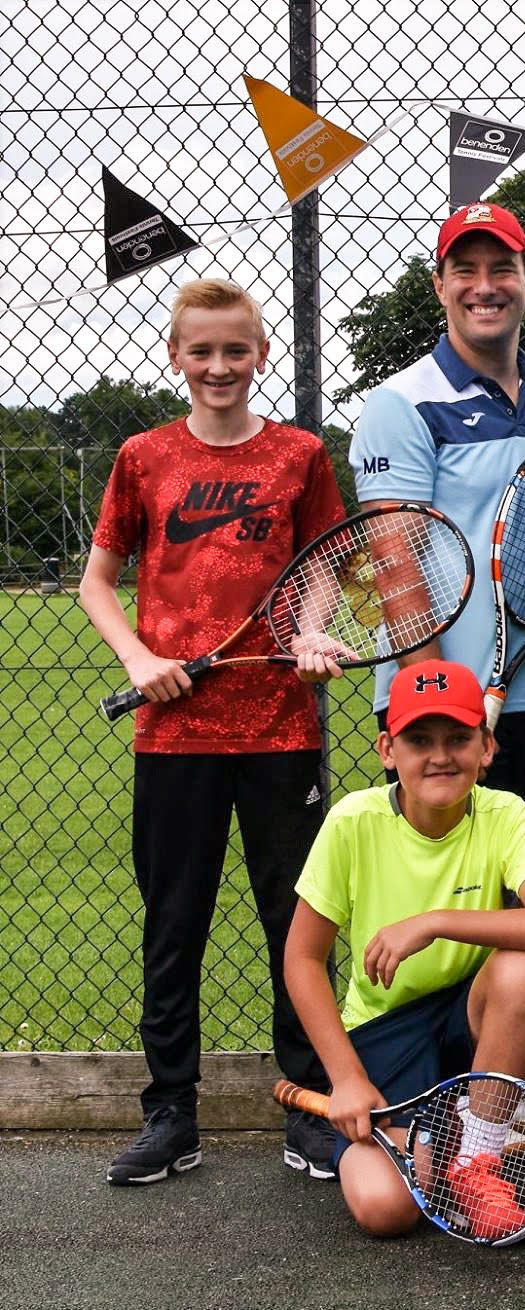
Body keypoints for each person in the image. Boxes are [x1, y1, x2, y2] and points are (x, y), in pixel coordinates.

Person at [78, 277, 347, 1186]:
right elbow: (97, 581)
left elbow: (322, 569)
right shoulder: (144, 456)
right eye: (203, 352)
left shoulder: (302, 455)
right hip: (174, 739)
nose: (220, 367)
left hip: (280, 731)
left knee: (297, 928)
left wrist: (310, 630)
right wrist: (136, 659)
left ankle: (308, 1107)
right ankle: (170, 1115)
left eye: (237, 351)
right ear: (177, 357)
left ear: (262, 354)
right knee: (174, 926)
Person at [280, 659, 525, 1238]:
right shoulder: (352, 822)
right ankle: (435, 1132)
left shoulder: (507, 815)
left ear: (487, 747)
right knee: (385, 1211)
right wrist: (345, 1078)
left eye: (458, 739)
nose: (440, 756)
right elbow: (301, 959)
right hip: (383, 1032)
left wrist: (436, 921)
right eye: (419, 740)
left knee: (523, 969)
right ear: (387, 750)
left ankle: (477, 1156)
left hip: (466, 1022)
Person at [349, 202, 525, 862]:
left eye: (503, 268)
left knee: (523, 920)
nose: (485, 286)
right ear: (440, 285)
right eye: (465, 270)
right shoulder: (401, 402)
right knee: (436, 934)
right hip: (434, 710)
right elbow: (395, 562)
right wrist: (443, 710)